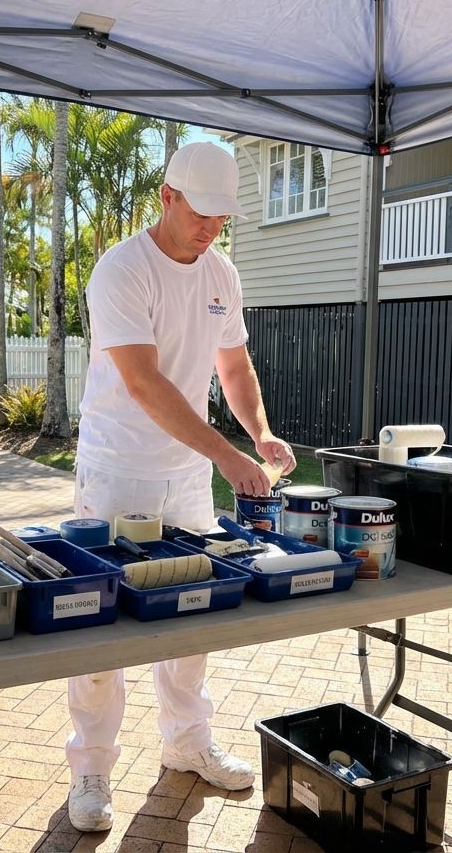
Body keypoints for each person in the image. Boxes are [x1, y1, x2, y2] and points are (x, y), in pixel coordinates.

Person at [65, 141, 296, 832]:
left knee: (192, 613)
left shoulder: (221, 271)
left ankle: (187, 743)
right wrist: (229, 455)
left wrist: (258, 433)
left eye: (222, 219)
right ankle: (92, 770)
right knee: (100, 629)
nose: (210, 230)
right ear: (167, 197)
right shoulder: (121, 270)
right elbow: (144, 383)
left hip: (186, 477)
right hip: (117, 473)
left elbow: (235, 365)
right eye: (201, 214)